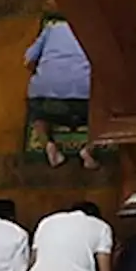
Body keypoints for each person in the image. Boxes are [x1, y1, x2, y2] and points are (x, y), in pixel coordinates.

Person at [25, 13, 94, 169]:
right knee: (105, 111)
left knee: (36, 110)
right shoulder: (94, 30)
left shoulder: (51, 29)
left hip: (48, 104)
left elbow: (28, 60)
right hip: (85, 105)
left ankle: (49, 145)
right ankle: (89, 149)